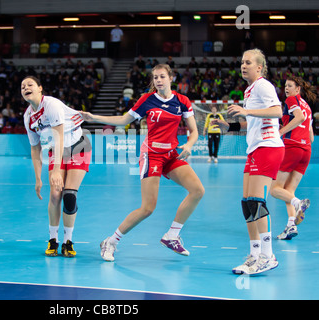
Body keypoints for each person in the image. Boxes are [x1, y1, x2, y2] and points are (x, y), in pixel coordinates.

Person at [80, 64, 205, 262]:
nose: (158, 80)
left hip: (172, 154)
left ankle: (172, 235)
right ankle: (110, 242)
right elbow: (123, 120)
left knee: (197, 190)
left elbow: (194, 130)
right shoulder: (147, 99)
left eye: (162, 76)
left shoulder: (182, 101)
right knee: (148, 208)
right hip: (152, 155)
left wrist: (189, 145)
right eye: (155, 77)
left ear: (171, 78)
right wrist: (93, 117)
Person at [212, 49, 284, 275]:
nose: (243, 65)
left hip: (269, 148)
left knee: (256, 201)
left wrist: (246, 110)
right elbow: (250, 124)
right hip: (254, 150)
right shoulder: (249, 90)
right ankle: (254, 254)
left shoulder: (263, 85)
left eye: (248, 62)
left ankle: (268, 255)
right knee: (247, 203)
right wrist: (229, 127)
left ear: (259, 67)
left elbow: (278, 111)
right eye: (242, 62)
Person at [22, 76, 91, 257]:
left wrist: (56, 171)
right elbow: (35, 148)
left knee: (69, 196)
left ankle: (68, 241)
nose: (25, 88)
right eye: (22, 86)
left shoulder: (51, 105)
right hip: (56, 149)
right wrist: (38, 178)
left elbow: (59, 136)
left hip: (78, 146)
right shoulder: (28, 117)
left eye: (30, 85)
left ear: (40, 89)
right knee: (54, 195)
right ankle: (53, 239)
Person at [270, 76, 316, 240]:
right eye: (285, 86)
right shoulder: (308, 107)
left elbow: (299, 118)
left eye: (290, 86)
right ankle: (291, 226)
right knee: (287, 191)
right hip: (307, 150)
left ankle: (299, 203)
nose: (286, 88)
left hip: (293, 147)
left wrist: (280, 132)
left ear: (298, 89)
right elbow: (311, 136)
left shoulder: (291, 100)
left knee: (274, 190)